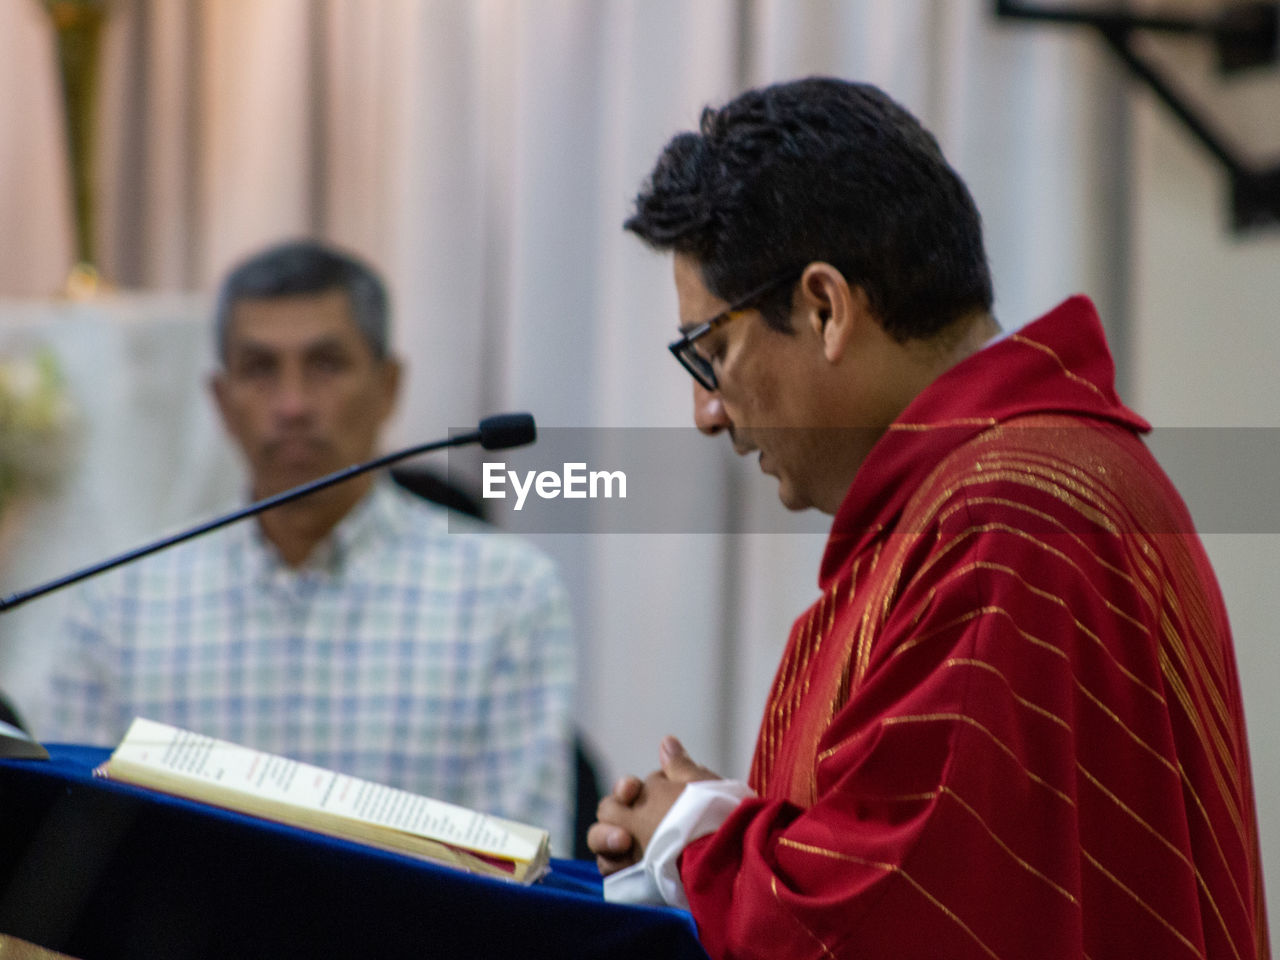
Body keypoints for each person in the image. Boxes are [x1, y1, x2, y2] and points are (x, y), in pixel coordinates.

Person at [589, 77, 1269, 960]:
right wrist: (724, 834)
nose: (706, 412)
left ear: (826, 308)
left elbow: (898, 915)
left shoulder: (1003, 519)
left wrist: (699, 845)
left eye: (713, 352)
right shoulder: (1032, 477)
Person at [43, 240, 577, 854]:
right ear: (221, 399)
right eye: (260, 369)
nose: (292, 405)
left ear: (389, 386)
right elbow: (66, 865)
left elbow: (528, 881)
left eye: (324, 364)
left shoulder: (507, 595)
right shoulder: (120, 602)